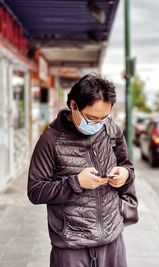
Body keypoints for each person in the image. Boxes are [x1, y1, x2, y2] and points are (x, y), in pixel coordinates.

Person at [27, 73, 138, 267]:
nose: (98, 124)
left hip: (112, 241)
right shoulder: (50, 142)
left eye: (104, 118)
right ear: (73, 106)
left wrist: (125, 175)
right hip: (71, 247)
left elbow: (127, 166)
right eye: (92, 118)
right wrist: (76, 183)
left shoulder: (112, 131)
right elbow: (35, 191)